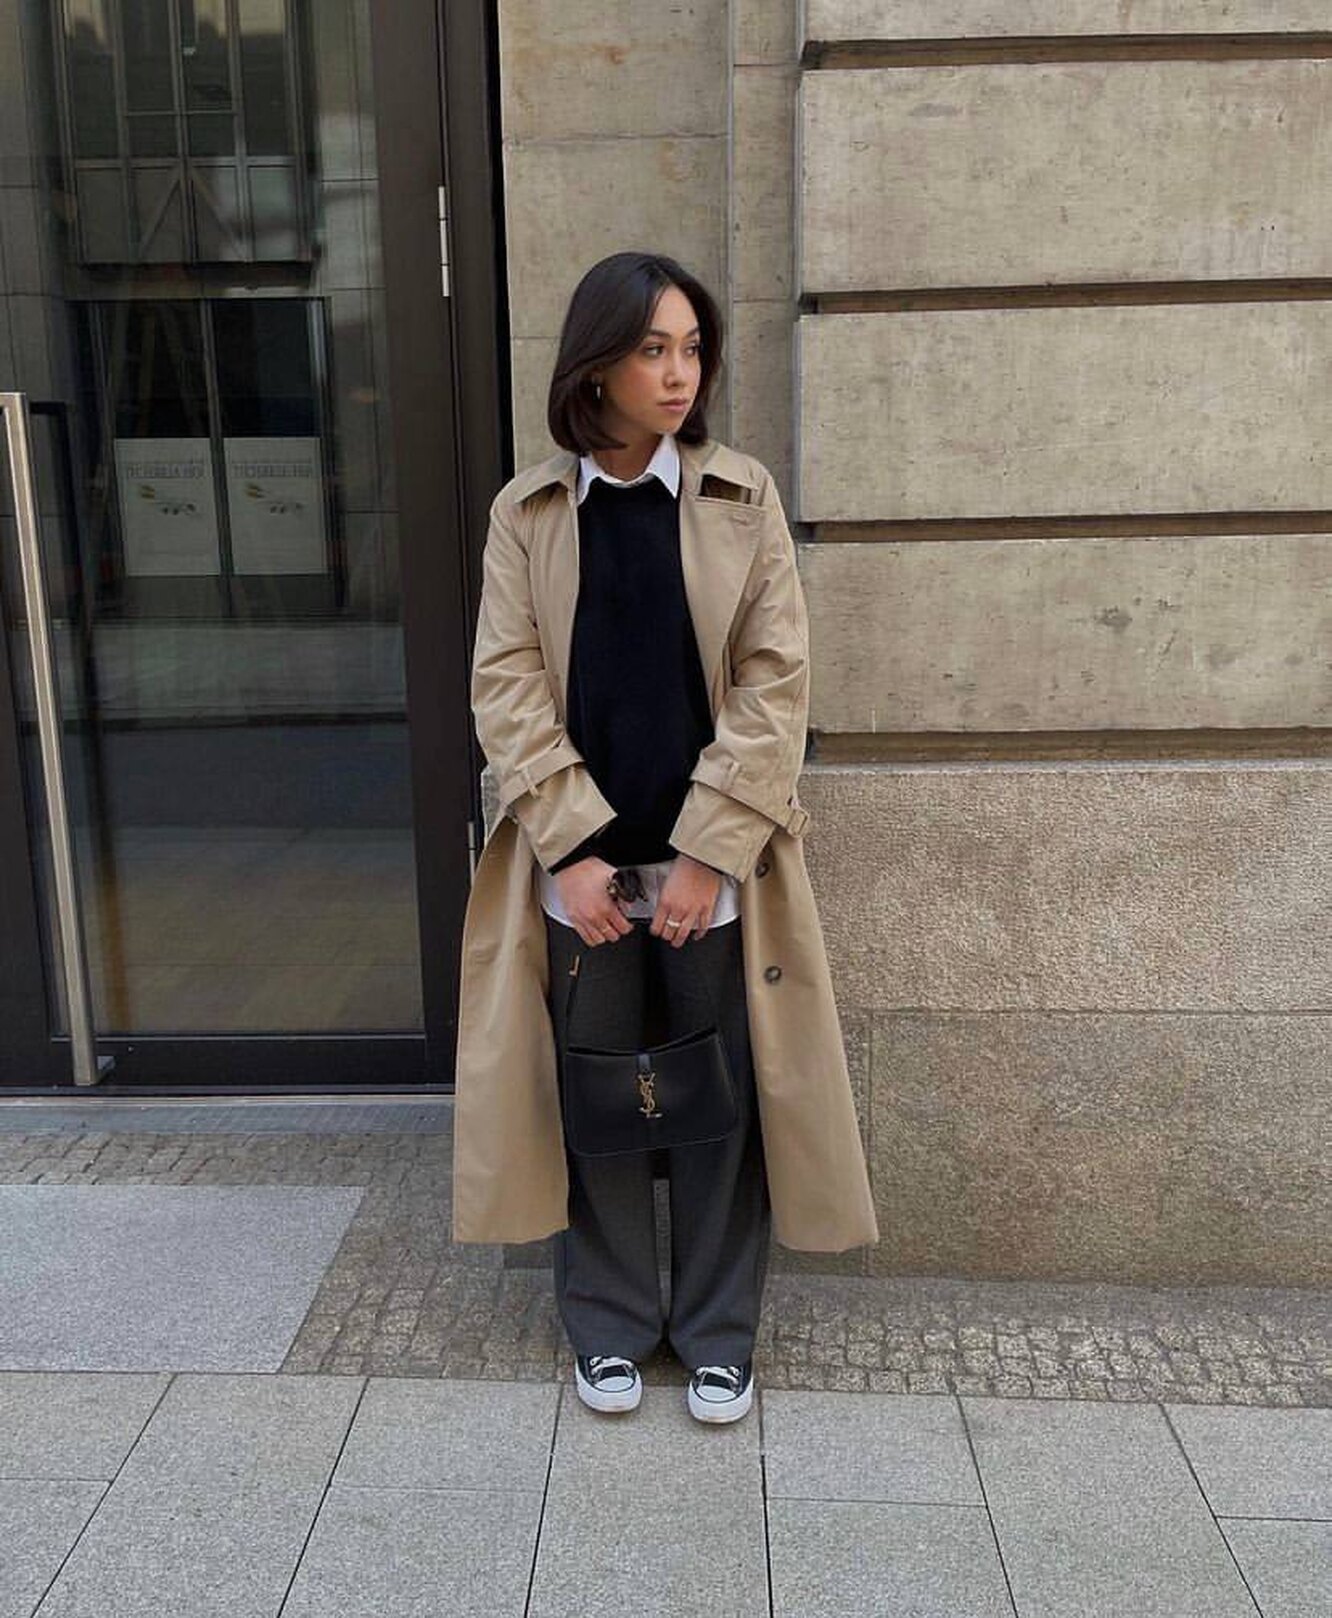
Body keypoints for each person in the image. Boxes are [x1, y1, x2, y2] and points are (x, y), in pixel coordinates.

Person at [452, 251, 877, 1423]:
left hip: (714, 872)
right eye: (652, 350)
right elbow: (505, 685)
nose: (680, 373)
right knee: (593, 1097)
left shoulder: (741, 497)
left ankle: (717, 1331)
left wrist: (706, 854)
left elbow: (775, 683)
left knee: (716, 1100)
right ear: (596, 367)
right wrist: (570, 848)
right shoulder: (530, 513)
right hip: (579, 874)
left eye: (691, 348)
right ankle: (610, 1324)